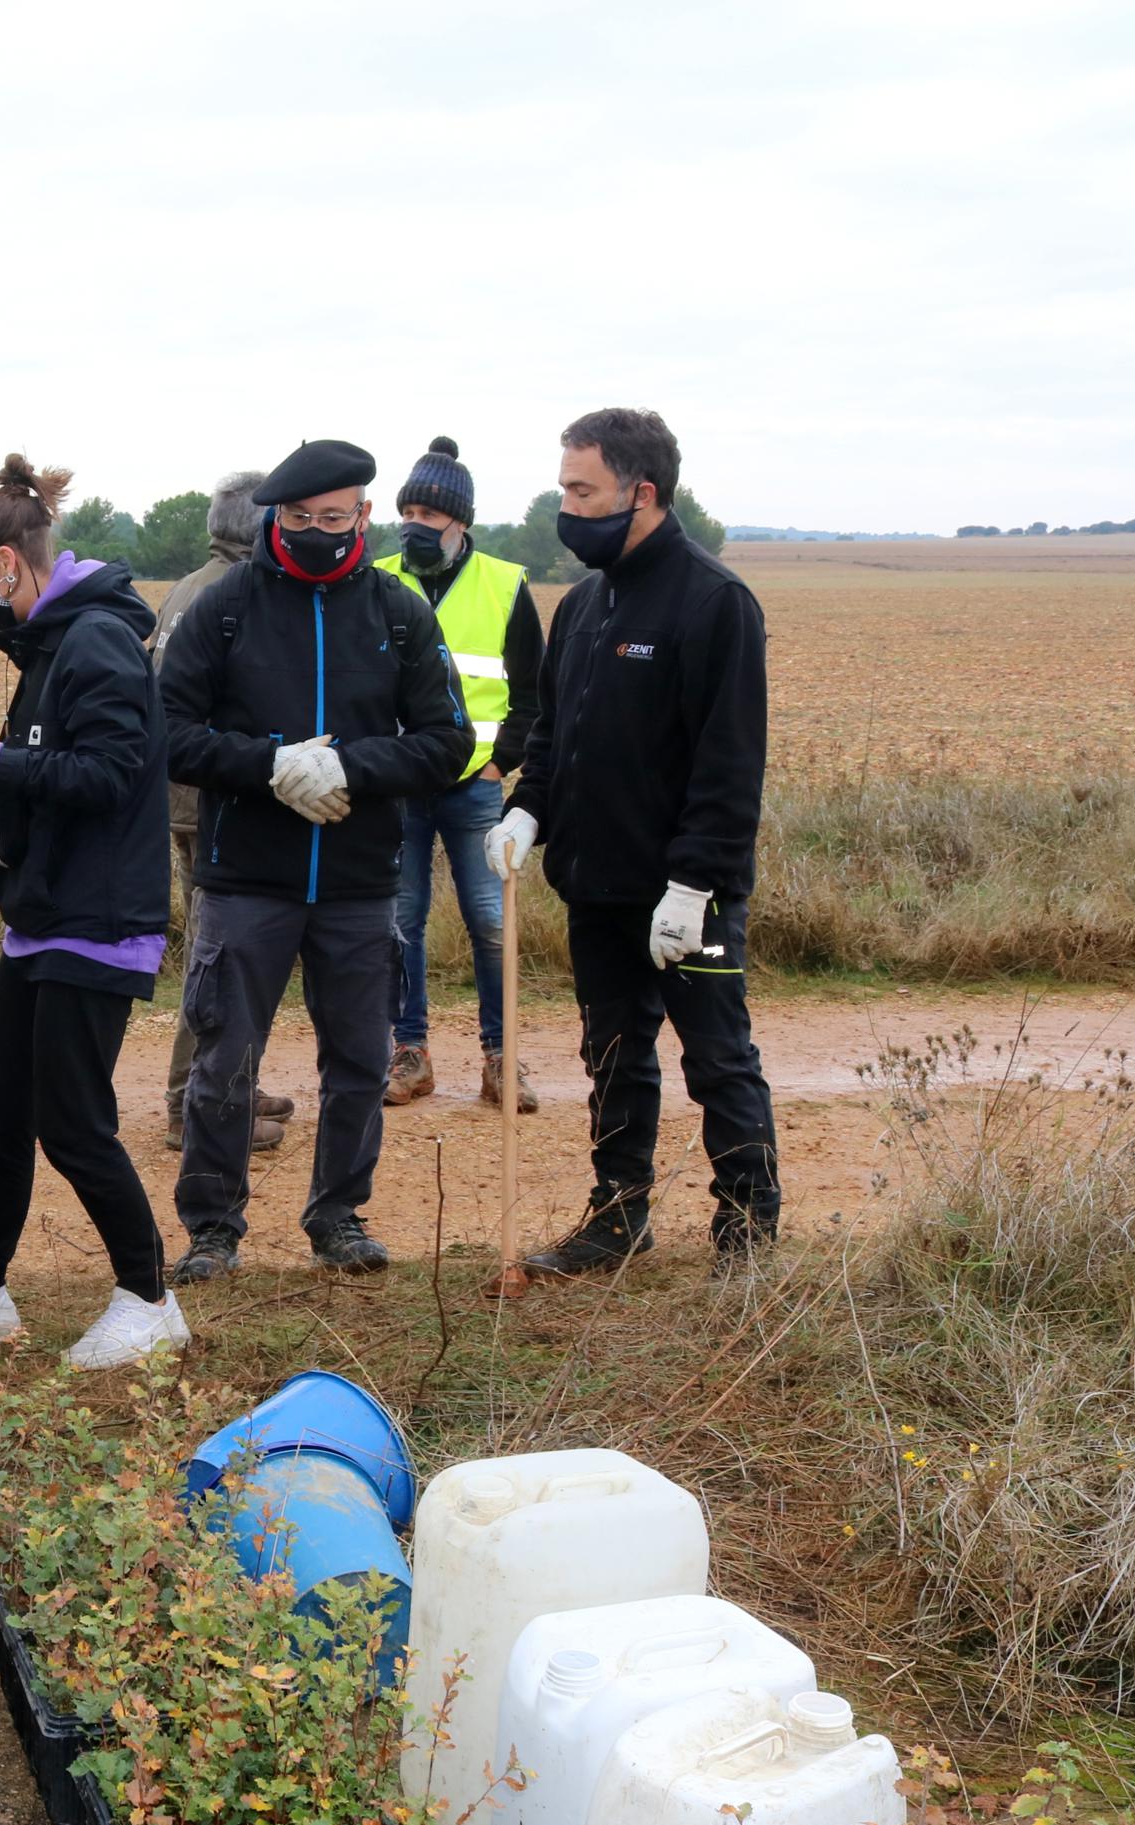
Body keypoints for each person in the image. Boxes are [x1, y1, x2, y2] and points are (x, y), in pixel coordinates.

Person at [0, 455, 187, 1369]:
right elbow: (32, 766)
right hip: (45, 912)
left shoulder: (91, 639)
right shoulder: (50, 642)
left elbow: (105, 776)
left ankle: (148, 1298)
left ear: (9, 564)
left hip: (98, 917)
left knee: (72, 1120)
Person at [159, 439, 473, 1283]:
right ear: (276, 518)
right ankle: (213, 1229)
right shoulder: (223, 609)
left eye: (335, 519)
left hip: (360, 881)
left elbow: (450, 741)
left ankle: (339, 1217)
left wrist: (351, 767)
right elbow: (167, 730)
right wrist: (270, 765)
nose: (319, 532)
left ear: (363, 518)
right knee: (224, 1063)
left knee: (361, 1063)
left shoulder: (400, 614)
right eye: (301, 519)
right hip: (244, 877)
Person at [486, 407, 778, 1278]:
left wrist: (693, 886)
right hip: (597, 885)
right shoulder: (581, 604)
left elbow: (730, 768)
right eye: (564, 489)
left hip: (691, 894)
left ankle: (748, 1231)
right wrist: (527, 812)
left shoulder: (715, 603)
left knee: (719, 1057)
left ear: (641, 492)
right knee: (613, 1054)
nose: (567, 509)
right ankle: (618, 1216)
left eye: (583, 491)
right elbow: (553, 737)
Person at [375, 438, 542, 1114]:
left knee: (491, 922)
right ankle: (409, 1054)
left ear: (461, 521)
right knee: (400, 921)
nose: (416, 522)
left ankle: (502, 1059)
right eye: (407, 508)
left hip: (477, 787)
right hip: (397, 785)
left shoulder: (505, 584)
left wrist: (502, 762)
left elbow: (533, 694)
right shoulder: (377, 576)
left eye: (430, 512)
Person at [145, 470, 291, 1157]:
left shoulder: (184, 586)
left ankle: (232, 1080)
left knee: (221, 950)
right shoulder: (238, 596)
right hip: (213, 802)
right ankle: (189, 1104)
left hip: (177, 796)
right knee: (222, 955)